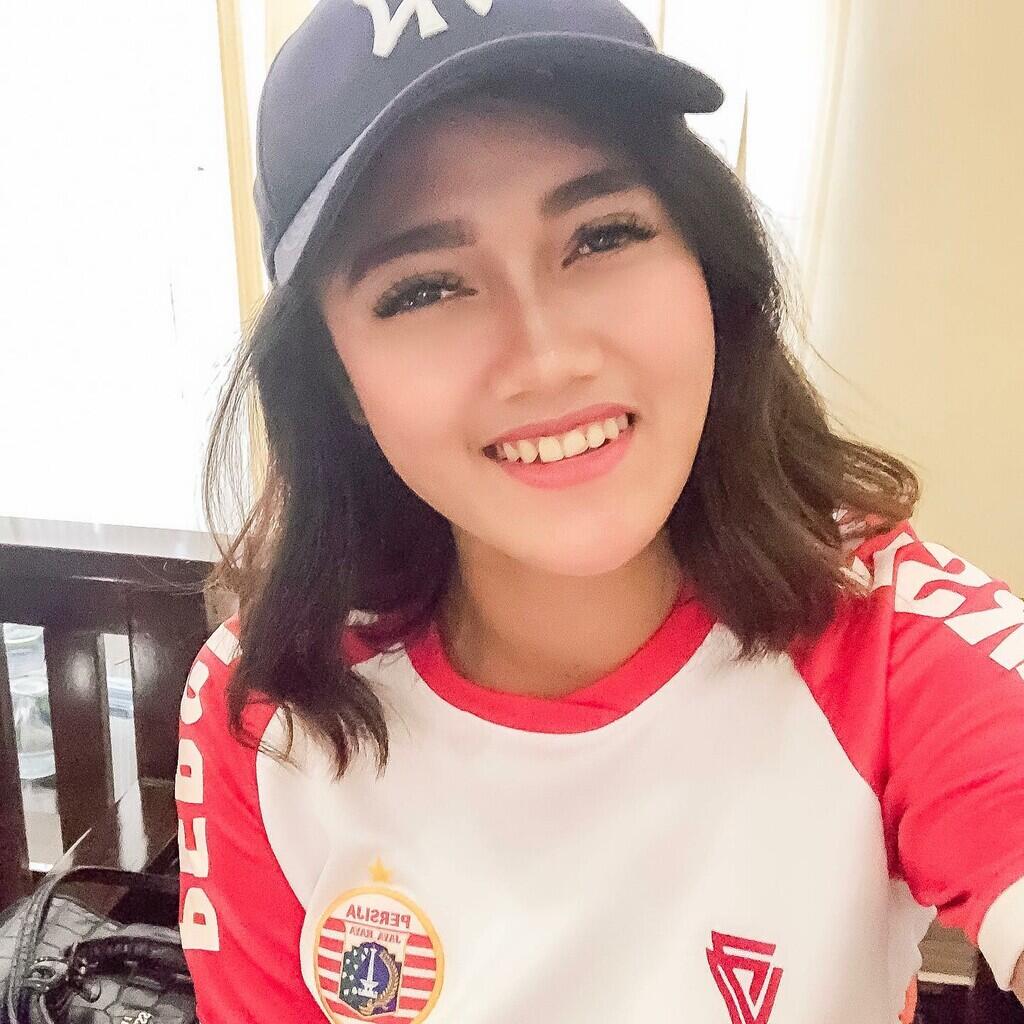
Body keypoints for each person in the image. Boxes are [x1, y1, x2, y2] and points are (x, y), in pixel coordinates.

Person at [174, 0, 1024, 1021]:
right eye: (424, 288)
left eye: (603, 235)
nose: (546, 357)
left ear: (708, 265)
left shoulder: (885, 631)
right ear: (337, 379)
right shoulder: (269, 701)